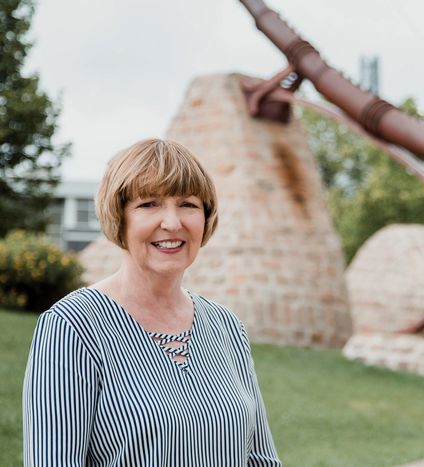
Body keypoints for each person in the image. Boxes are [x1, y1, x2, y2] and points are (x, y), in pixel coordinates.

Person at [23, 138, 282, 466]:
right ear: (120, 216)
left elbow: (260, 460)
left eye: (188, 204)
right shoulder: (72, 327)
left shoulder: (227, 327)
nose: (173, 223)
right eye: (149, 204)